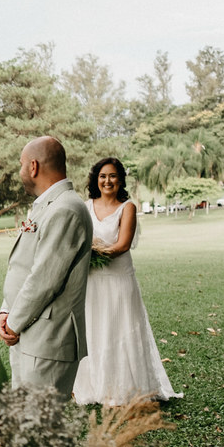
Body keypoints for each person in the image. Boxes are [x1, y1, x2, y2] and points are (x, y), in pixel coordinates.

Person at [72, 158, 182, 405]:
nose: (107, 181)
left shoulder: (127, 207)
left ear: (120, 180)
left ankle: (126, 389)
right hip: (92, 280)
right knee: (95, 328)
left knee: (120, 330)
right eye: (102, 176)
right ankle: (93, 386)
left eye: (112, 176)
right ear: (95, 179)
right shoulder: (86, 206)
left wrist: (93, 252)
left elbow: (122, 245)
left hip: (119, 279)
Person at [0, 136, 94, 400]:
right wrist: (6, 310)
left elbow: (45, 279)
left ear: (33, 166)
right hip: (28, 333)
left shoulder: (66, 209)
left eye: (20, 165)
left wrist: (14, 324)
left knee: (40, 428)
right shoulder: (47, 205)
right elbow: (23, 266)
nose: (20, 172)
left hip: (48, 340)